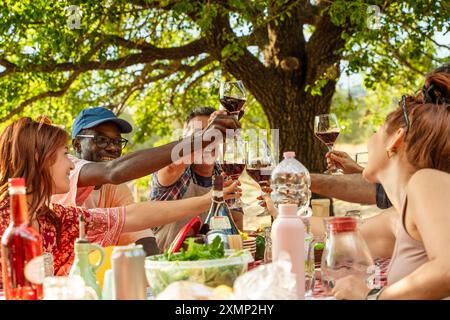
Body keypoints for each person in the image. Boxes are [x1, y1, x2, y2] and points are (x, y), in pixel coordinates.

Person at [0, 117, 240, 276]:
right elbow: (114, 172)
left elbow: (131, 217)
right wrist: (199, 141)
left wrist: (212, 198)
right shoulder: (8, 219)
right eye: (64, 155)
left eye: (116, 141)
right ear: (39, 158)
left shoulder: (55, 219)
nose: (71, 166)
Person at [330, 71, 450, 299]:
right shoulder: (404, 214)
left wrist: (373, 296)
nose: (370, 139)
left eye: (376, 130)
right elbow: (339, 238)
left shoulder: (426, 181)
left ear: (397, 139)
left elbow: (448, 270)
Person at [51, 107, 157, 255]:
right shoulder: (68, 169)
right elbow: (113, 171)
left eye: (118, 141)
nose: (113, 148)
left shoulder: (115, 188)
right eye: (101, 140)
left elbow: (138, 230)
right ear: (77, 145)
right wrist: (183, 148)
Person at [149, 107, 244, 251]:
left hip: (210, 265)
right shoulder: (176, 171)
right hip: (168, 265)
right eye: (199, 135)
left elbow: (236, 225)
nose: (209, 140)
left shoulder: (224, 173)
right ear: (185, 140)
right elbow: (171, 168)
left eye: (215, 135)